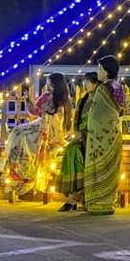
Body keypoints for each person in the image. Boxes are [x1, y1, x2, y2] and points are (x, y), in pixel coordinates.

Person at [2, 72, 71, 196]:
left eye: (50, 84)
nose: (47, 87)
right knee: (17, 131)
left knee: (28, 140)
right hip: (40, 124)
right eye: (47, 84)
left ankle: (29, 176)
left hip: (52, 130)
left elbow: (59, 120)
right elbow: (35, 112)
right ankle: (17, 171)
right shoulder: (45, 96)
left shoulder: (63, 101)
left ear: (57, 86)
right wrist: (29, 103)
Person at [83, 55, 126, 216]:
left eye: (100, 69)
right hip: (114, 134)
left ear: (107, 70)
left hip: (100, 136)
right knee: (111, 168)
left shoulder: (102, 89)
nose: (98, 72)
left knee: (97, 166)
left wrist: (87, 125)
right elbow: (121, 111)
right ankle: (108, 202)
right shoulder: (120, 87)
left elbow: (95, 113)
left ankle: (97, 203)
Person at [57, 72, 98, 211]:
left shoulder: (99, 102)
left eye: (88, 82)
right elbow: (76, 121)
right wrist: (78, 133)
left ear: (96, 84)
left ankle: (74, 197)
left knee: (77, 154)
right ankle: (73, 195)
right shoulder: (82, 101)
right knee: (70, 150)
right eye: (84, 82)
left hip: (95, 139)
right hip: (82, 137)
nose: (85, 85)